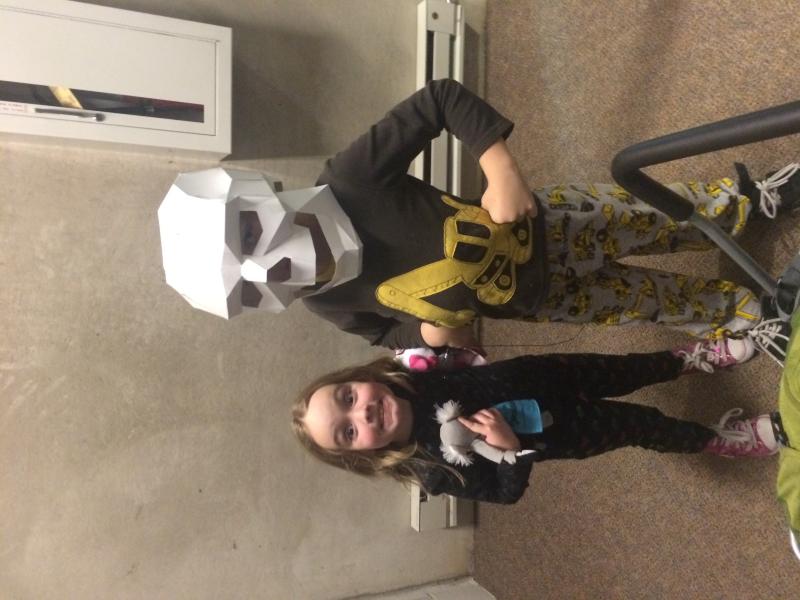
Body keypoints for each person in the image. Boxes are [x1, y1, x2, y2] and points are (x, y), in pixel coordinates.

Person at [159, 79, 796, 359]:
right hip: (536, 298)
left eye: (248, 234)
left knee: (654, 216)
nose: (268, 262)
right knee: (645, 302)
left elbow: (438, 100)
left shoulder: (350, 179)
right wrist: (428, 336)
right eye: (250, 284)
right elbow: (385, 337)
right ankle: (738, 311)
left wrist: (499, 168)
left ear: (250, 197)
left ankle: (742, 203)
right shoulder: (326, 303)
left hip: (548, 223)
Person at [291, 337, 787, 504]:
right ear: (364, 454)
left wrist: (443, 342)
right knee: (643, 425)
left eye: (348, 397)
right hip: (565, 432)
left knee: (632, 369)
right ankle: (716, 439)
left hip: (552, 373)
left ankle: (690, 359)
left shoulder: (413, 374)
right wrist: (509, 450)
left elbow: (455, 342)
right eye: (349, 430)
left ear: (359, 378)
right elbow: (504, 493)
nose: (363, 411)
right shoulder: (433, 471)